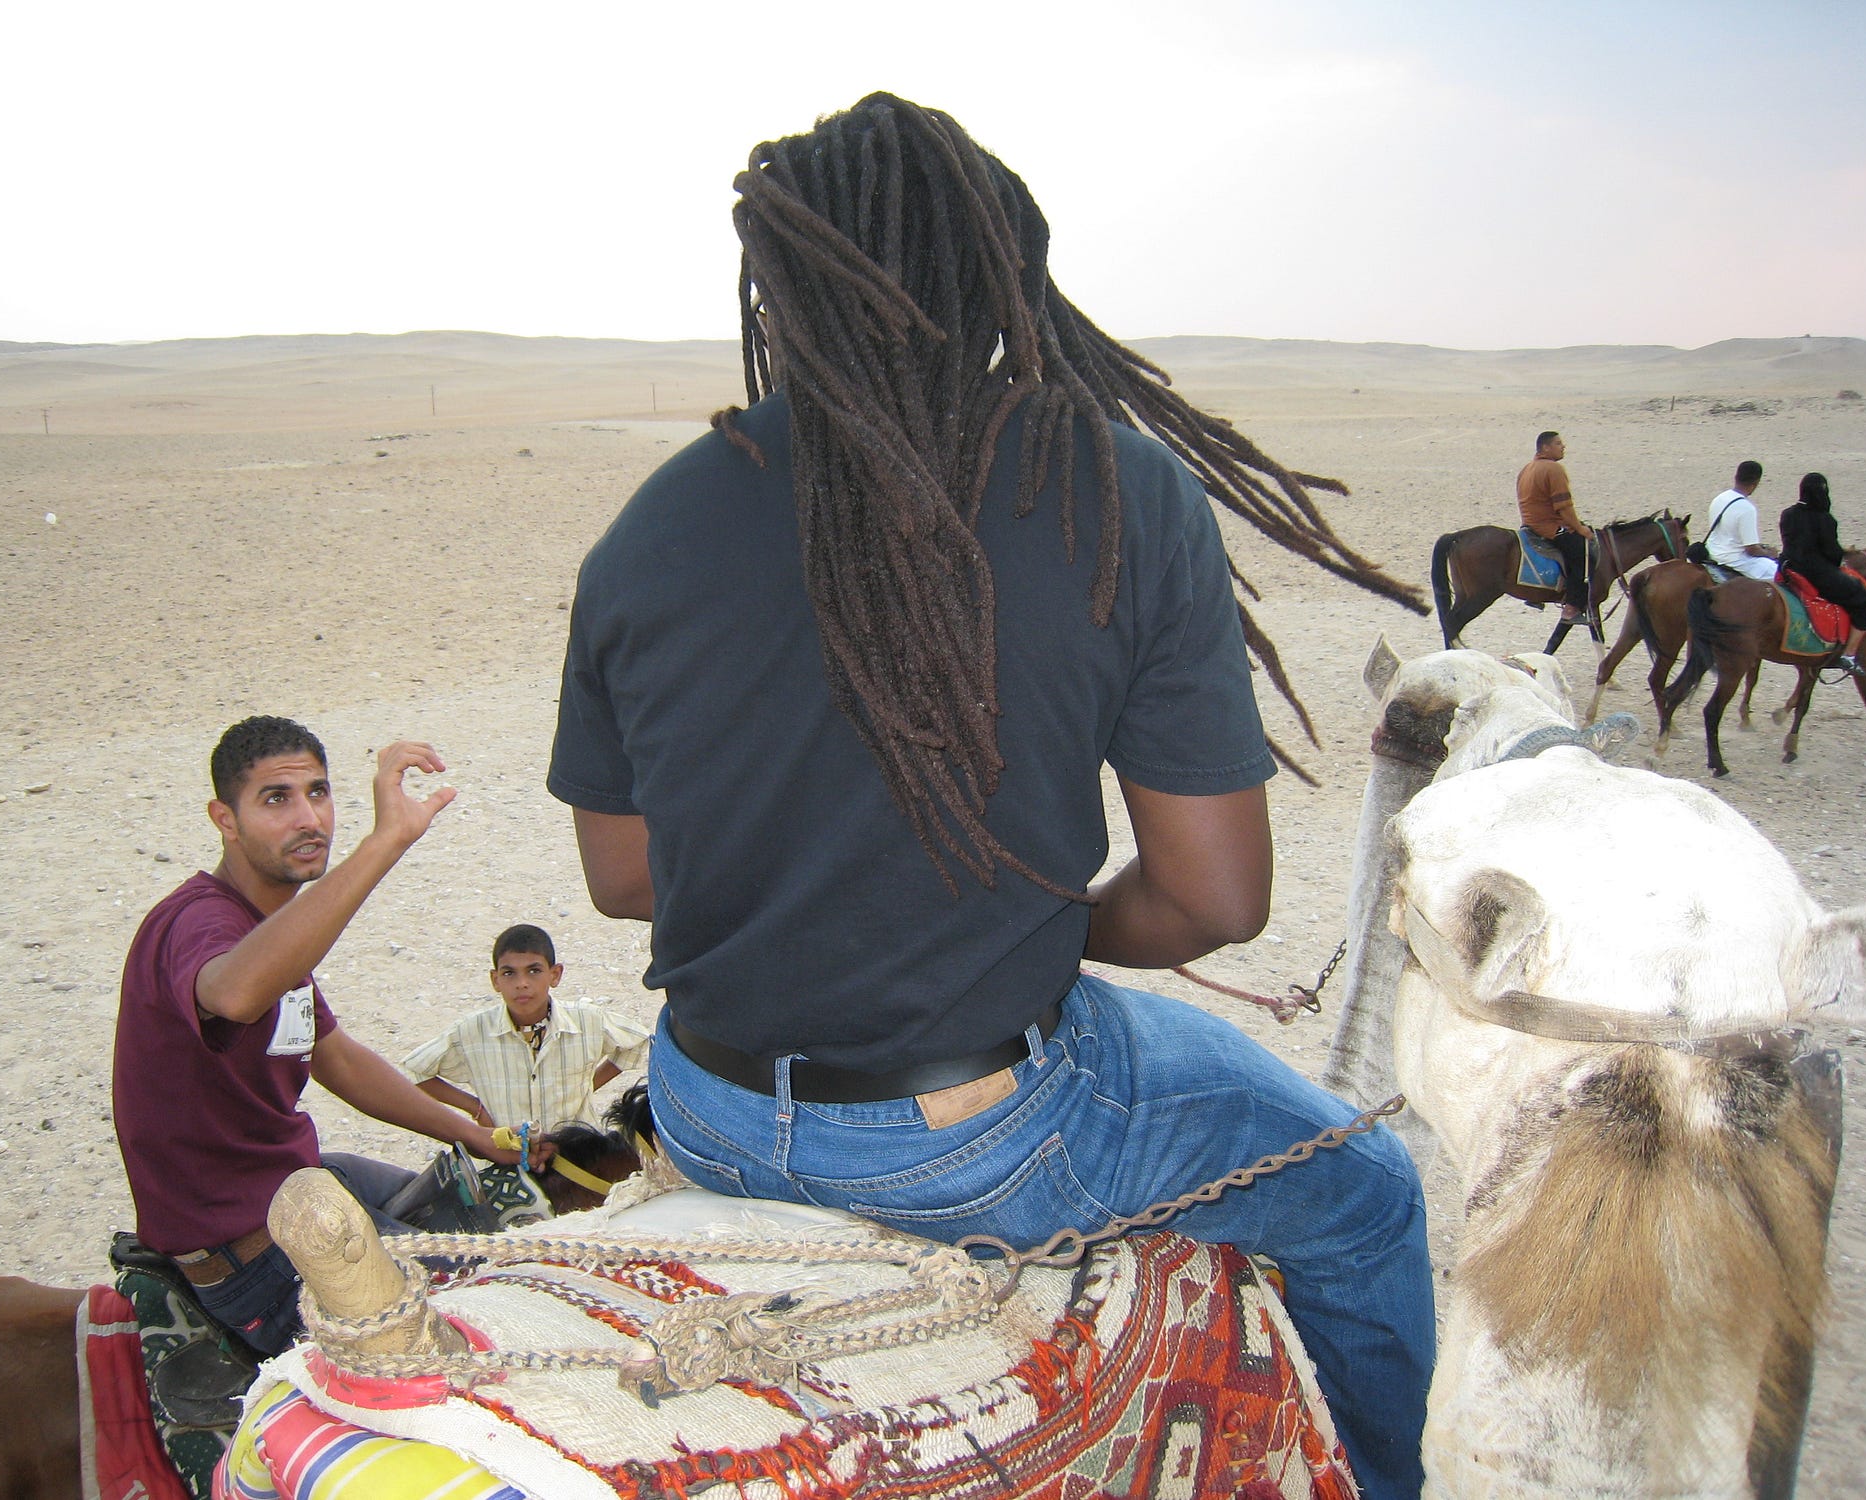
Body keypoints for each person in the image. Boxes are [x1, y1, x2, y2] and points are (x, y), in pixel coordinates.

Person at [548, 94, 1432, 1499]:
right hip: (982, 1139)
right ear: (1006, 271)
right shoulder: (1115, 491)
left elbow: (621, 880)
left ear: (775, 286)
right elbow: (1215, 899)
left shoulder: (647, 525)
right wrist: (1043, 922)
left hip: (707, 1106)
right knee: (1371, 1197)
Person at [112, 716, 519, 1355]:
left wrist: (473, 1134)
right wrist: (386, 841)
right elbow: (234, 993)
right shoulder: (197, 923)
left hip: (296, 1179)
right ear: (225, 819)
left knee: (498, 1235)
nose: (309, 819)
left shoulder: (270, 928)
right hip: (246, 1241)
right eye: (277, 799)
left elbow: (339, 1059)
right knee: (483, 1323)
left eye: (319, 793)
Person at [404, 923, 650, 1137]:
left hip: (576, 1154)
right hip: (507, 1155)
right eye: (509, 973)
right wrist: (475, 1108)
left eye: (534, 971)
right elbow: (414, 1071)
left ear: (555, 975)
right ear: (495, 980)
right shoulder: (471, 1033)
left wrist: (585, 1087)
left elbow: (639, 1042)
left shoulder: (588, 1022)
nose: (522, 983)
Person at [1780, 471, 1866, 674]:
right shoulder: (1825, 519)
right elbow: (1832, 554)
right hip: (1816, 574)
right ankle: (1849, 654)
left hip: (1788, 568)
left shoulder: (1788, 514)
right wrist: (1843, 552)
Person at [1517, 429, 1592, 620]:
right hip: (1548, 528)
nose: (1563, 447)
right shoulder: (1554, 469)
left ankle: (1535, 594)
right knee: (1581, 552)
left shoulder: (1526, 469)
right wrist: (1580, 528)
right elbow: (1564, 507)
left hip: (1529, 526)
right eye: (1558, 443)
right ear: (1545, 448)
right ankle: (1572, 606)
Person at [1702, 460, 1779, 581]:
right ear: (1756, 483)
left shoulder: (1719, 498)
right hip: (1735, 560)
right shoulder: (1747, 508)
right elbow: (1751, 549)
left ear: (1736, 477)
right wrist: (1770, 554)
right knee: (1782, 576)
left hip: (1713, 552)